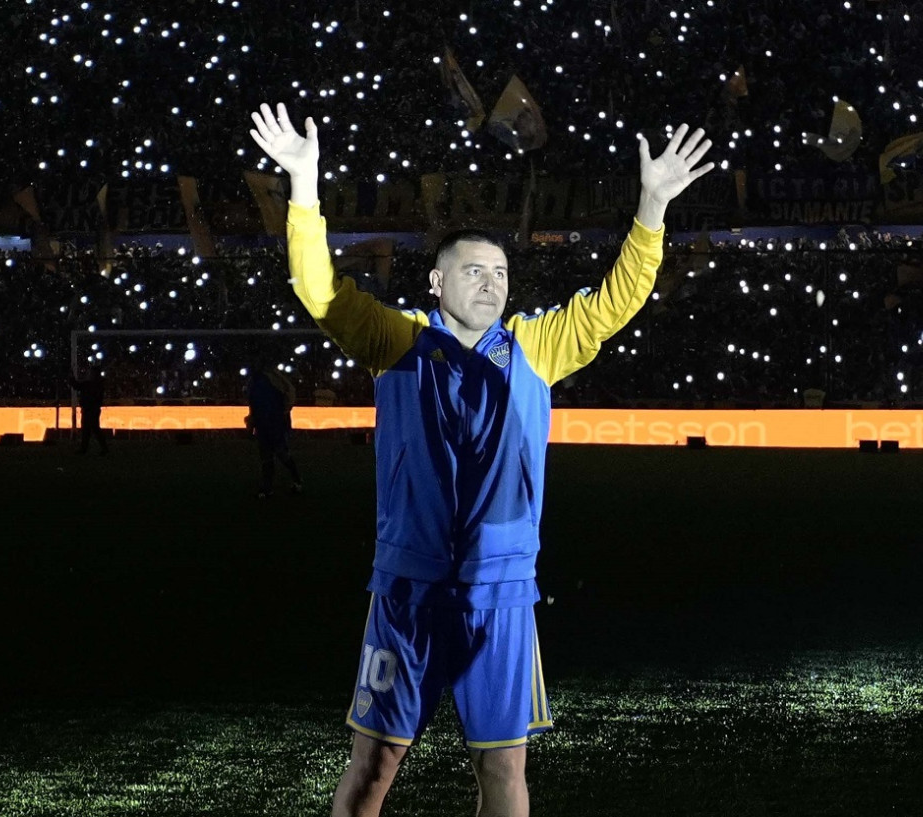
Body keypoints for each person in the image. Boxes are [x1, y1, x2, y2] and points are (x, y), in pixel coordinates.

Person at [250, 101, 713, 817]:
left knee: (503, 774)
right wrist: (305, 187)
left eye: (498, 271)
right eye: (472, 270)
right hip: (407, 591)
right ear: (436, 284)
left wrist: (651, 207)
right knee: (373, 767)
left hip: (502, 595)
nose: (490, 281)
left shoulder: (537, 346)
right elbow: (321, 292)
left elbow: (615, 303)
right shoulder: (397, 342)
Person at [247, 359, 303, 499]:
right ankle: (268, 488)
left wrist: (285, 411)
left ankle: (296, 481)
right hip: (264, 422)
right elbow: (253, 403)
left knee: (280, 454)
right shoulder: (256, 382)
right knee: (268, 456)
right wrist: (252, 419)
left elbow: (290, 393)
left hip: (274, 422)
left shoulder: (274, 379)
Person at [69, 365, 109, 455]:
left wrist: (71, 377)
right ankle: (91, 448)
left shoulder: (91, 384)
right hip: (92, 409)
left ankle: (86, 449)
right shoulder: (97, 384)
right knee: (91, 429)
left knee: (91, 429)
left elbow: (76, 385)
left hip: (90, 409)